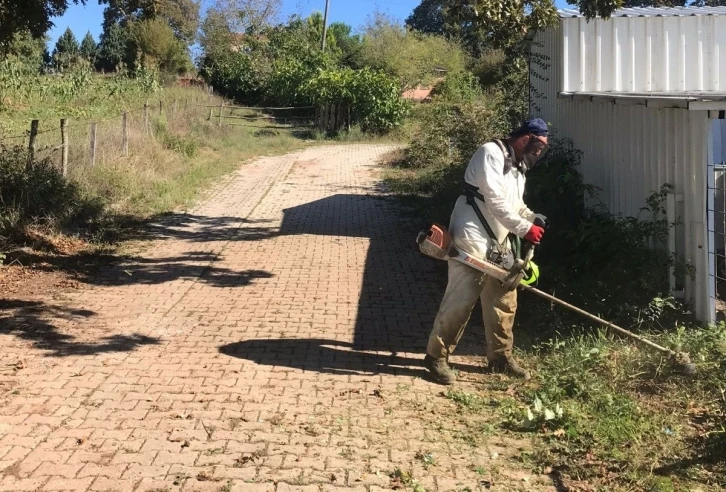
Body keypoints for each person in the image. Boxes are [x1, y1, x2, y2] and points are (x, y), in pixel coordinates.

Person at [424, 117, 550, 384]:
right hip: (472, 235)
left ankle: (500, 358)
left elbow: (514, 205)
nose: (536, 155)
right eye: (536, 149)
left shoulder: (517, 167)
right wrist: (524, 229)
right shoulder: (490, 153)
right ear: (526, 139)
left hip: (498, 240)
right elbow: (494, 200)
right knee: (462, 297)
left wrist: (531, 218)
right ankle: (436, 357)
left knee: (504, 300)